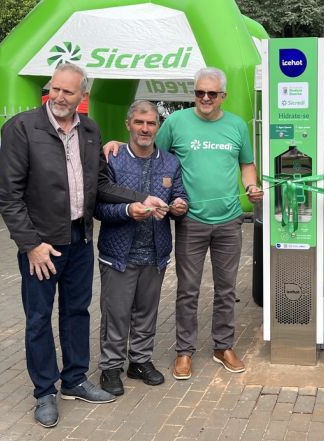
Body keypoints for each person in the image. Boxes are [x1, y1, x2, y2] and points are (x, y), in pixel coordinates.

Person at [0, 63, 167, 428]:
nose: (57, 96)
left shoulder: (89, 131)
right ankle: (44, 391)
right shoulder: (23, 128)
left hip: (80, 238)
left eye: (67, 92)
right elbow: (8, 196)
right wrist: (31, 245)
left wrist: (142, 197)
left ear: (82, 96)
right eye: (54, 88)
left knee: (77, 312)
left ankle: (74, 380)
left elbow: (101, 184)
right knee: (39, 319)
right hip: (42, 245)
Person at [105, 67, 263, 379]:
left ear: (223, 97)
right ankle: (184, 351)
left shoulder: (236, 126)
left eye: (212, 93)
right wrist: (116, 145)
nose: (205, 98)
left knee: (226, 288)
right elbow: (151, 151)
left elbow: (247, 164)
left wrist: (251, 186)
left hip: (230, 220)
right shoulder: (177, 122)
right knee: (188, 290)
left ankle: (223, 346)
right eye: (199, 92)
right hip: (190, 221)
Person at [95, 100, 188, 396]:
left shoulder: (170, 162)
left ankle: (140, 361)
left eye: (151, 124)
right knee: (116, 313)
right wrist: (127, 212)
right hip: (118, 252)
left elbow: (180, 195)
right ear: (128, 124)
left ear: (157, 127)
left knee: (147, 312)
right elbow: (97, 207)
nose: (145, 129)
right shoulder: (113, 158)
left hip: (156, 253)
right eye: (139, 122)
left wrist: (179, 206)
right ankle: (110, 367)